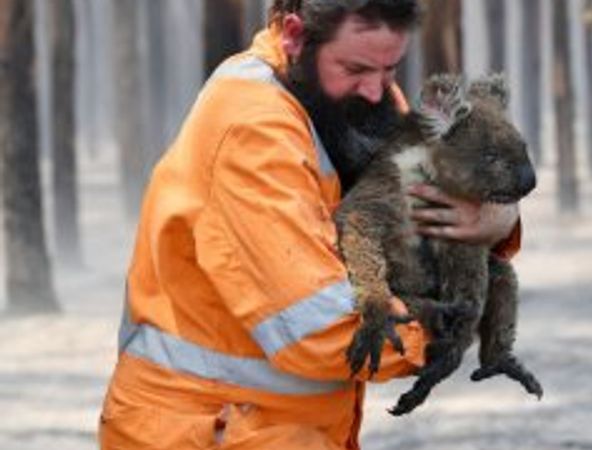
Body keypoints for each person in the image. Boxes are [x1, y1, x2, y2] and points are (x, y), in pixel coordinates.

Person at [99, 1, 522, 449]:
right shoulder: (252, 131)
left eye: (391, 69)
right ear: (295, 36)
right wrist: (447, 327)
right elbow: (322, 331)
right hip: (206, 432)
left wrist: (499, 219)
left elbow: (434, 211)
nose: (378, 91)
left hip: (279, 431)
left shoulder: (356, 94)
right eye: (356, 67)